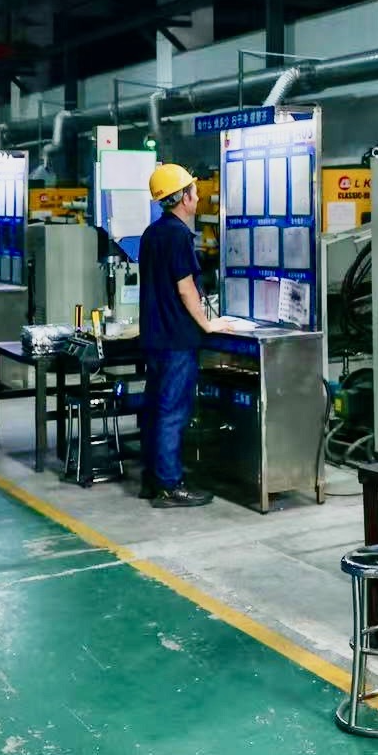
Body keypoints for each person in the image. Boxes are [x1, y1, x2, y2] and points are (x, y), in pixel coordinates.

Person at [137, 163, 229, 509]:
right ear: (183, 198)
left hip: (155, 338)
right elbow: (186, 287)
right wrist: (208, 324)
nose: (198, 194)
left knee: (156, 408)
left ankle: (153, 478)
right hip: (177, 339)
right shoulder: (177, 235)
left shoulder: (152, 233)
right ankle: (170, 485)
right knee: (173, 411)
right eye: (193, 189)